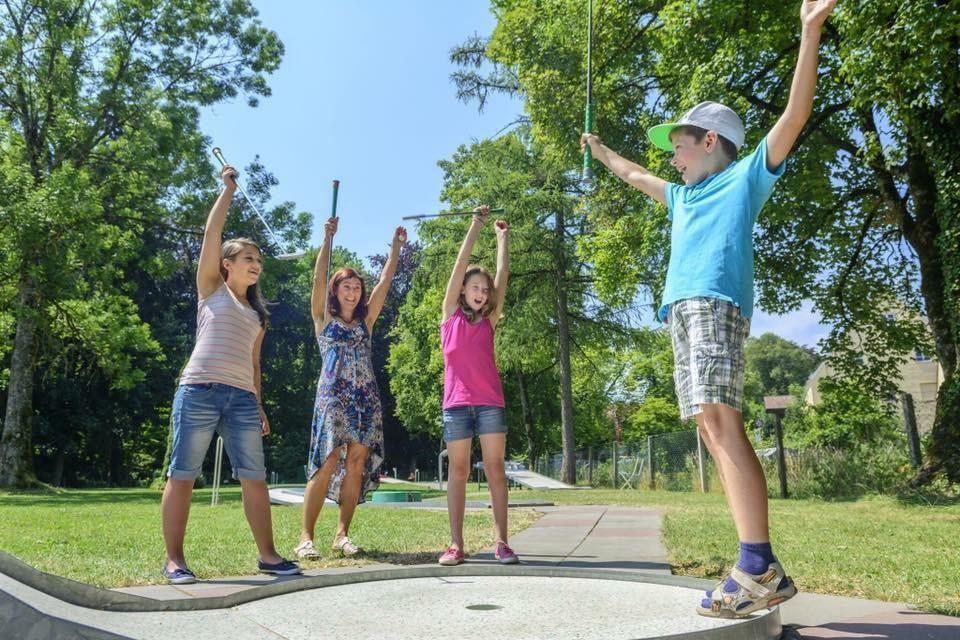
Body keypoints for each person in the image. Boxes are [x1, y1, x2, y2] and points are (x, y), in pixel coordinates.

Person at [580, 0, 838, 618]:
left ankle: (757, 563)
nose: (672, 154)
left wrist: (810, 30)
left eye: (680, 143)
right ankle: (755, 565)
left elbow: (794, 115)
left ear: (711, 141)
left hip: (715, 306)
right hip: (682, 313)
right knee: (707, 425)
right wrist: (600, 150)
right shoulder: (681, 196)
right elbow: (633, 173)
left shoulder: (743, 176)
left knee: (722, 422)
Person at [161, 164, 300, 584]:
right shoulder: (210, 289)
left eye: (258, 260)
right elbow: (211, 235)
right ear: (227, 265)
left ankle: (269, 556)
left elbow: (254, 364)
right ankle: (174, 561)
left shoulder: (258, 314)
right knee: (183, 474)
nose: (256, 264)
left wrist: (258, 403)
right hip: (199, 390)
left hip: (241, 399)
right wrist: (228, 192)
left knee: (254, 479)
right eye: (248, 258)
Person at [294, 216, 406, 559]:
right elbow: (317, 278)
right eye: (347, 286)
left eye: (357, 287)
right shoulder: (323, 320)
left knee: (356, 464)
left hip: (364, 400)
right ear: (336, 290)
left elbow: (385, 283)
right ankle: (305, 537)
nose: (353, 291)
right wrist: (327, 240)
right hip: (332, 400)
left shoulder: (365, 323)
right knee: (326, 463)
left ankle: (342, 535)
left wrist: (395, 250)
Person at [437, 206, 517, 566]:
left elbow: (503, 274)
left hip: (489, 404)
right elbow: (458, 265)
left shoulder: (490, 320)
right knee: (458, 471)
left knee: (496, 469)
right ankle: (456, 544)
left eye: (485, 289)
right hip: (456, 406)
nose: (481, 292)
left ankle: (501, 542)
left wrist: (502, 239)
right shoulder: (449, 317)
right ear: (463, 291)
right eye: (475, 287)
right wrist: (476, 225)